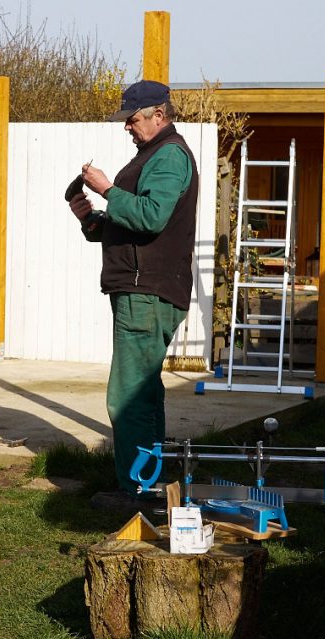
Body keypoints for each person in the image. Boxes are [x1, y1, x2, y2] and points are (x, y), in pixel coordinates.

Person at [67, 80, 198, 500]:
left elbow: (151, 216)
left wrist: (106, 188)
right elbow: (134, 222)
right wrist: (92, 219)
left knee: (128, 396)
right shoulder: (153, 155)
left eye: (133, 119)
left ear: (159, 115)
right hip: (146, 286)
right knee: (143, 391)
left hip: (147, 291)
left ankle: (137, 489)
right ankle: (152, 483)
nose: (127, 126)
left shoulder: (168, 156)